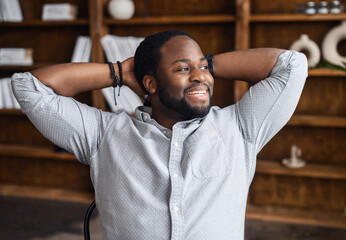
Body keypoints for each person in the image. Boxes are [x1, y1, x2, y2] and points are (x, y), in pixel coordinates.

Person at [12, 30, 308, 240]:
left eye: (204, 68)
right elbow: (28, 87)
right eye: (181, 68)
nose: (201, 76)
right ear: (150, 84)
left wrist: (204, 65)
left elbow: (293, 65)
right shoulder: (105, 136)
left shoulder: (240, 126)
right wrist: (118, 72)